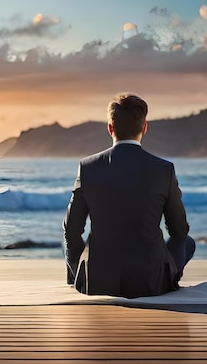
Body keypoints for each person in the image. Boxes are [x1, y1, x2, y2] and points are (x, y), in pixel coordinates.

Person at [63, 93, 195, 298]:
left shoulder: (87, 167)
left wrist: (83, 270)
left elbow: (72, 231)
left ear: (110, 128)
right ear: (145, 128)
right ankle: (169, 280)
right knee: (187, 242)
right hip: (150, 282)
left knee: (69, 240)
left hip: (99, 281)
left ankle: (79, 279)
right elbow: (179, 231)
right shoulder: (164, 169)